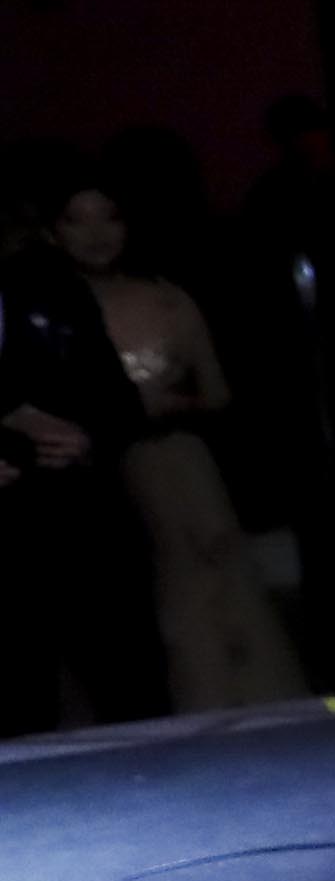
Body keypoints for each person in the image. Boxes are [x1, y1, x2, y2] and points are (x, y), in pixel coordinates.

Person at [47, 171, 306, 712]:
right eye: (78, 220)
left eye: (110, 217)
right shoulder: (46, 313)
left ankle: (233, 699)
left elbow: (217, 392)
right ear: (54, 231)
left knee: (207, 575)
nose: (97, 234)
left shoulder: (166, 300)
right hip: (92, 473)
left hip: (173, 457)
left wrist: (159, 407)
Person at [0, 157, 164, 732]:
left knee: (125, 679)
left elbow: (119, 403)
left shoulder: (48, 286)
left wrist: (85, 438)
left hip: (77, 513)